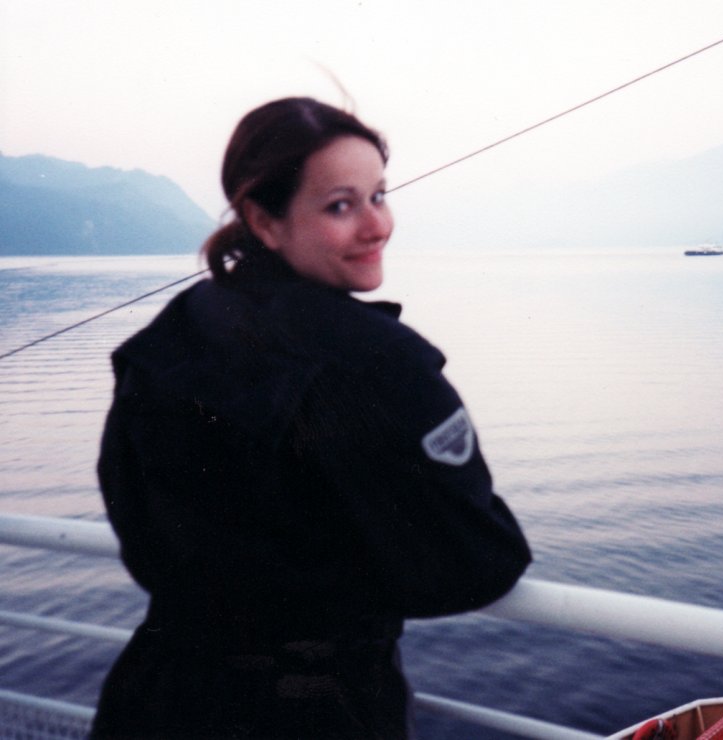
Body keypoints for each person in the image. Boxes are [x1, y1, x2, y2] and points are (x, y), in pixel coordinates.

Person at [92, 97, 532, 738]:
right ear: (264, 221)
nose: (377, 226)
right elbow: (479, 563)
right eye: (340, 206)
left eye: (379, 195)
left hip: (155, 698)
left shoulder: (172, 333)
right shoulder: (379, 363)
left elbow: (139, 528)